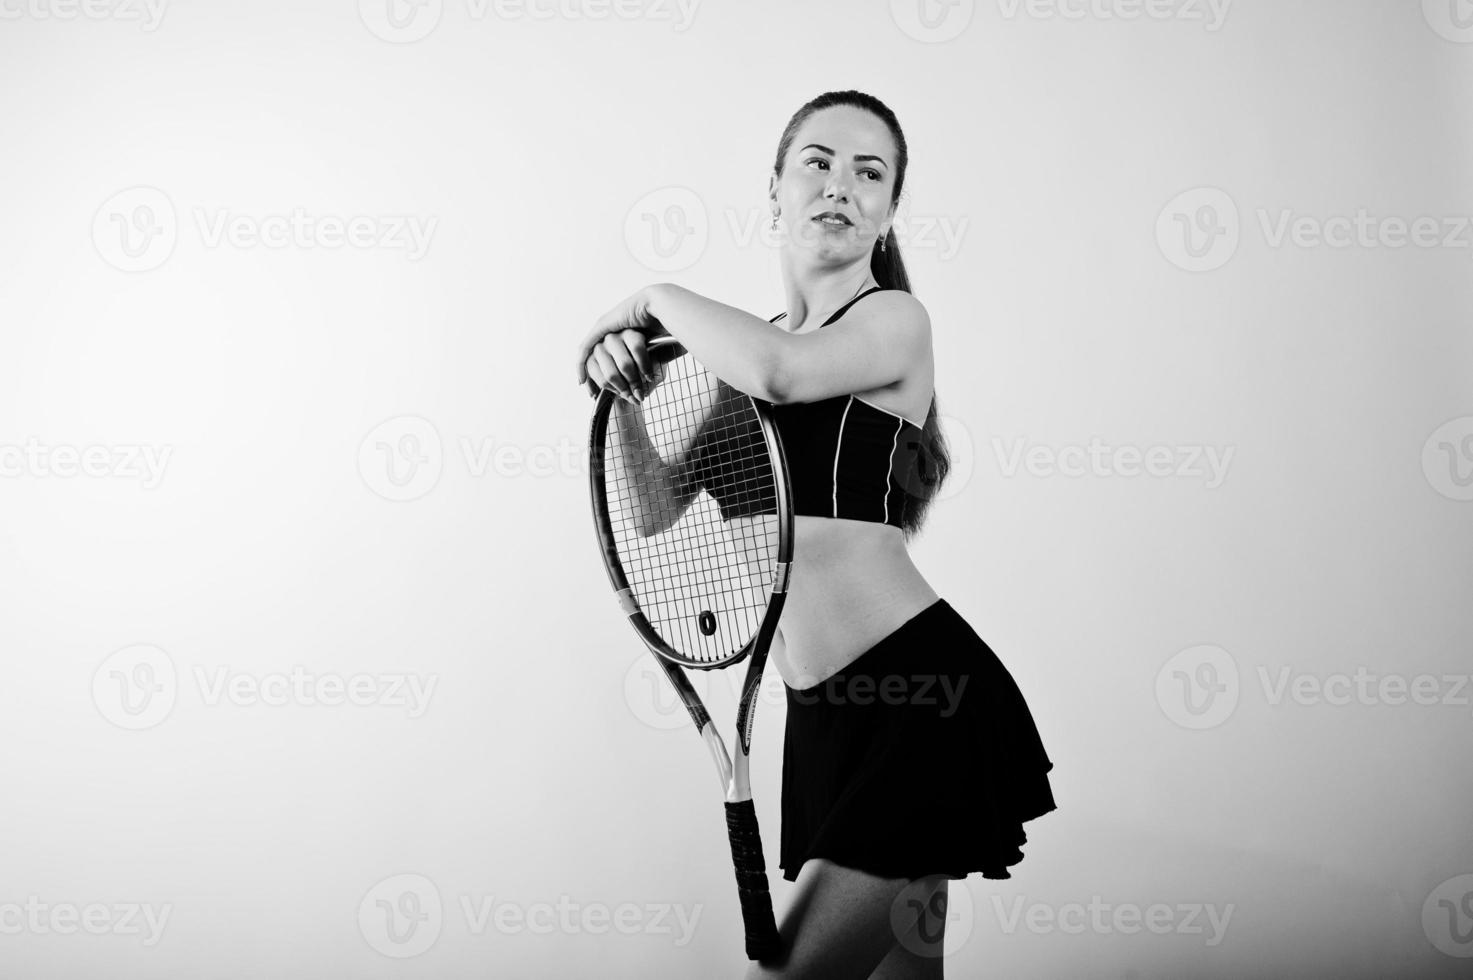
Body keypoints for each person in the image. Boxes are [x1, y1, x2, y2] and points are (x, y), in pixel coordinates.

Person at [575, 90, 1057, 979]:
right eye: (819, 161)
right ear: (775, 191)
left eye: (868, 172)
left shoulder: (891, 320)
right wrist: (633, 389)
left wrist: (651, 295)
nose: (840, 184)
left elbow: (782, 373)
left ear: (887, 212)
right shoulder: (742, 345)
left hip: (921, 697)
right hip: (822, 718)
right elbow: (652, 505)